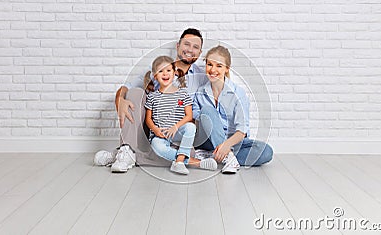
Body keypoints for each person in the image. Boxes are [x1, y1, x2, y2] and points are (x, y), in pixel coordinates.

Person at [94, 28, 209, 172]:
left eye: (195, 47)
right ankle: (127, 149)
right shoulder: (158, 67)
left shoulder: (202, 77)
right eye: (186, 44)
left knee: (186, 152)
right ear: (178, 46)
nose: (190, 49)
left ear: (200, 52)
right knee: (135, 93)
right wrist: (120, 100)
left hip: (176, 133)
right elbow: (127, 87)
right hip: (152, 131)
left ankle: (125, 155)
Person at [193, 45, 273, 174]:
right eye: (209, 64)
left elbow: (242, 131)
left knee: (266, 151)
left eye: (219, 66)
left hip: (232, 141)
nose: (213, 70)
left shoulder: (238, 94)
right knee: (207, 111)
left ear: (227, 69)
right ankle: (228, 158)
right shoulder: (200, 93)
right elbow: (197, 120)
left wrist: (225, 145)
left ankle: (214, 155)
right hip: (206, 141)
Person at [144, 56, 217, 174]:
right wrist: (155, 130)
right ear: (155, 75)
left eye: (168, 70)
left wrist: (176, 127)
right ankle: (192, 162)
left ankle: (179, 162)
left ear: (175, 73)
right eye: (160, 71)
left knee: (191, 127)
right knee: (157, 146)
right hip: (160, 135)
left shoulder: (183, 94)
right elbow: (148, 119)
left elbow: (189, 116)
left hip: (177, 131)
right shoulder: (152, 96)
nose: (165, 74)